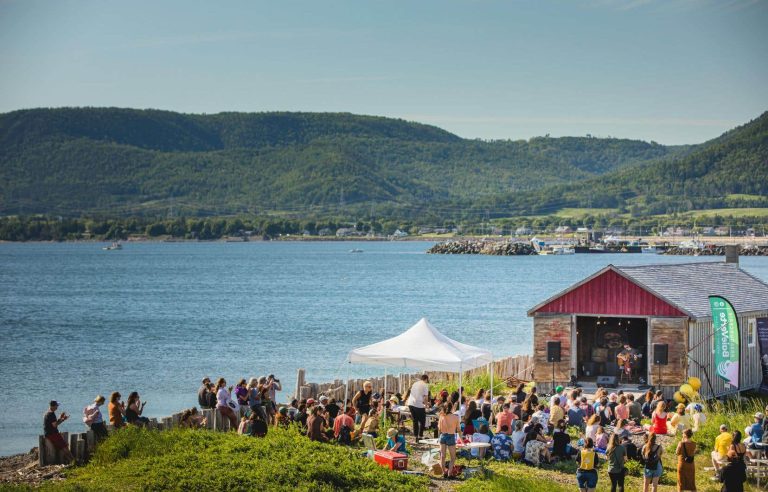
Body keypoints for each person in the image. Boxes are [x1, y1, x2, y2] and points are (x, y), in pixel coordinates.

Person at [438, 402, 460, 477]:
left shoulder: (441, 416)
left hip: (443, 435)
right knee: (453, 457)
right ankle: (450, 473)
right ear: (452, 407)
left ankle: (444, 472)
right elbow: (459, 430)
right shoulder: (455, 417)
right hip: (451, 436)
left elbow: (439, 429)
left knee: (442, 456)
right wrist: (462, 440)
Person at [405, 374, 429, 440]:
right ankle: (420, 436)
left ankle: (416, 436)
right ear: (426, 379)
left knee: (415, 420)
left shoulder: (415, 383)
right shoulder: (425, 385)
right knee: (422, 421)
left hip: (410, 403)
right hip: (417, 404)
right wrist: (426, 405)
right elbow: (426, 397)